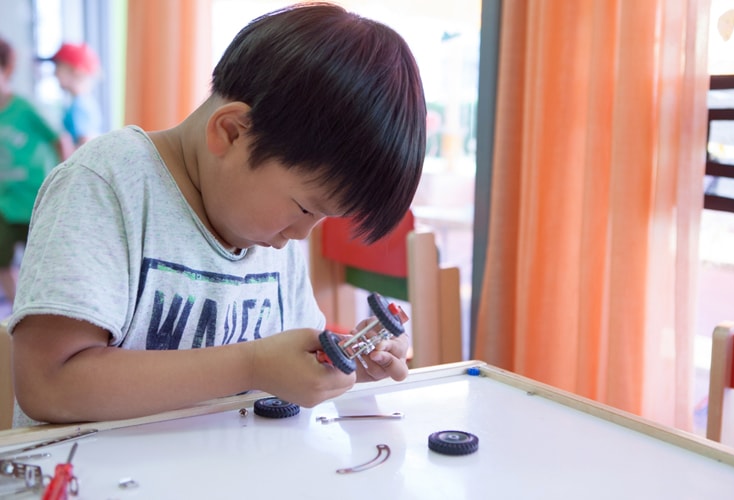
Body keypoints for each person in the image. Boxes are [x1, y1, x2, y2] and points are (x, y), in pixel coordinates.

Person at [10, 3, 426, 427]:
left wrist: (342, 361)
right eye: (304, 208)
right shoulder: (106, 185)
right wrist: (251, 366)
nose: (301, 234)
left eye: (321, 218)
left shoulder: (268, 232)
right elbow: (48, 384)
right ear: (231, 132)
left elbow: (289, 358)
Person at [0, 37, 66, 306]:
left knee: (41, 262)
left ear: (7, 70)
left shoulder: (25, 109)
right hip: (5, 204)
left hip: (36, 200)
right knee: (2, 260)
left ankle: (40, 307)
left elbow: (60, 139)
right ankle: (18, 310)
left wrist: (66, 177)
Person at [48, 41, 102, 149]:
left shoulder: (80, 105)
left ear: (75, 71)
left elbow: (86, 144)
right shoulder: (83, 102)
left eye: (58, 67)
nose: (55, 74)